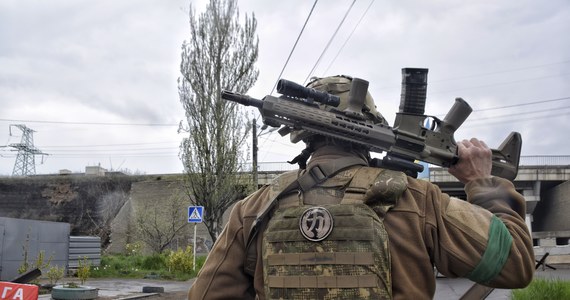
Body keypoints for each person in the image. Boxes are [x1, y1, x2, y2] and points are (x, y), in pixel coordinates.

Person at [188, 75, 534, 299]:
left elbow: (207, 296)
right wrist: (482, 182)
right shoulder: (418, 200)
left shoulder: (254, 209)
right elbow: (516, 264)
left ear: (300, 132)